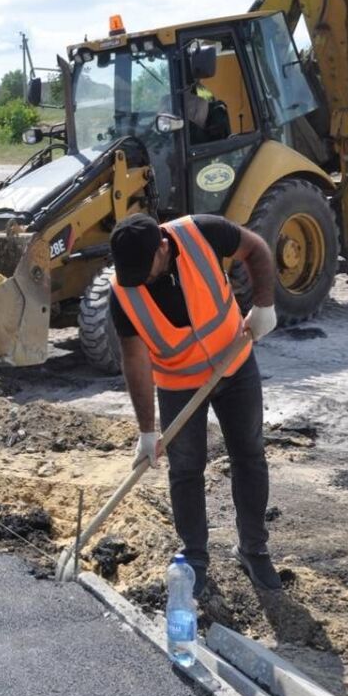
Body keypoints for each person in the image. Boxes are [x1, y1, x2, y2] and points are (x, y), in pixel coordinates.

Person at [108, 212, 280, 598]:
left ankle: (253, 548)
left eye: (144, 270)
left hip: (234, 365)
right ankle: (195, 556)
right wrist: (147, 430)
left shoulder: (202, 233)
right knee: (185, 469)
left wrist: (264, 305)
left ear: (163, 248)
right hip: (180, 385)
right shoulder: (123, 290)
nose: (138, 282)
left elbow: (256, 248)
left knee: (250, 455)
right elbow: (134, 360)